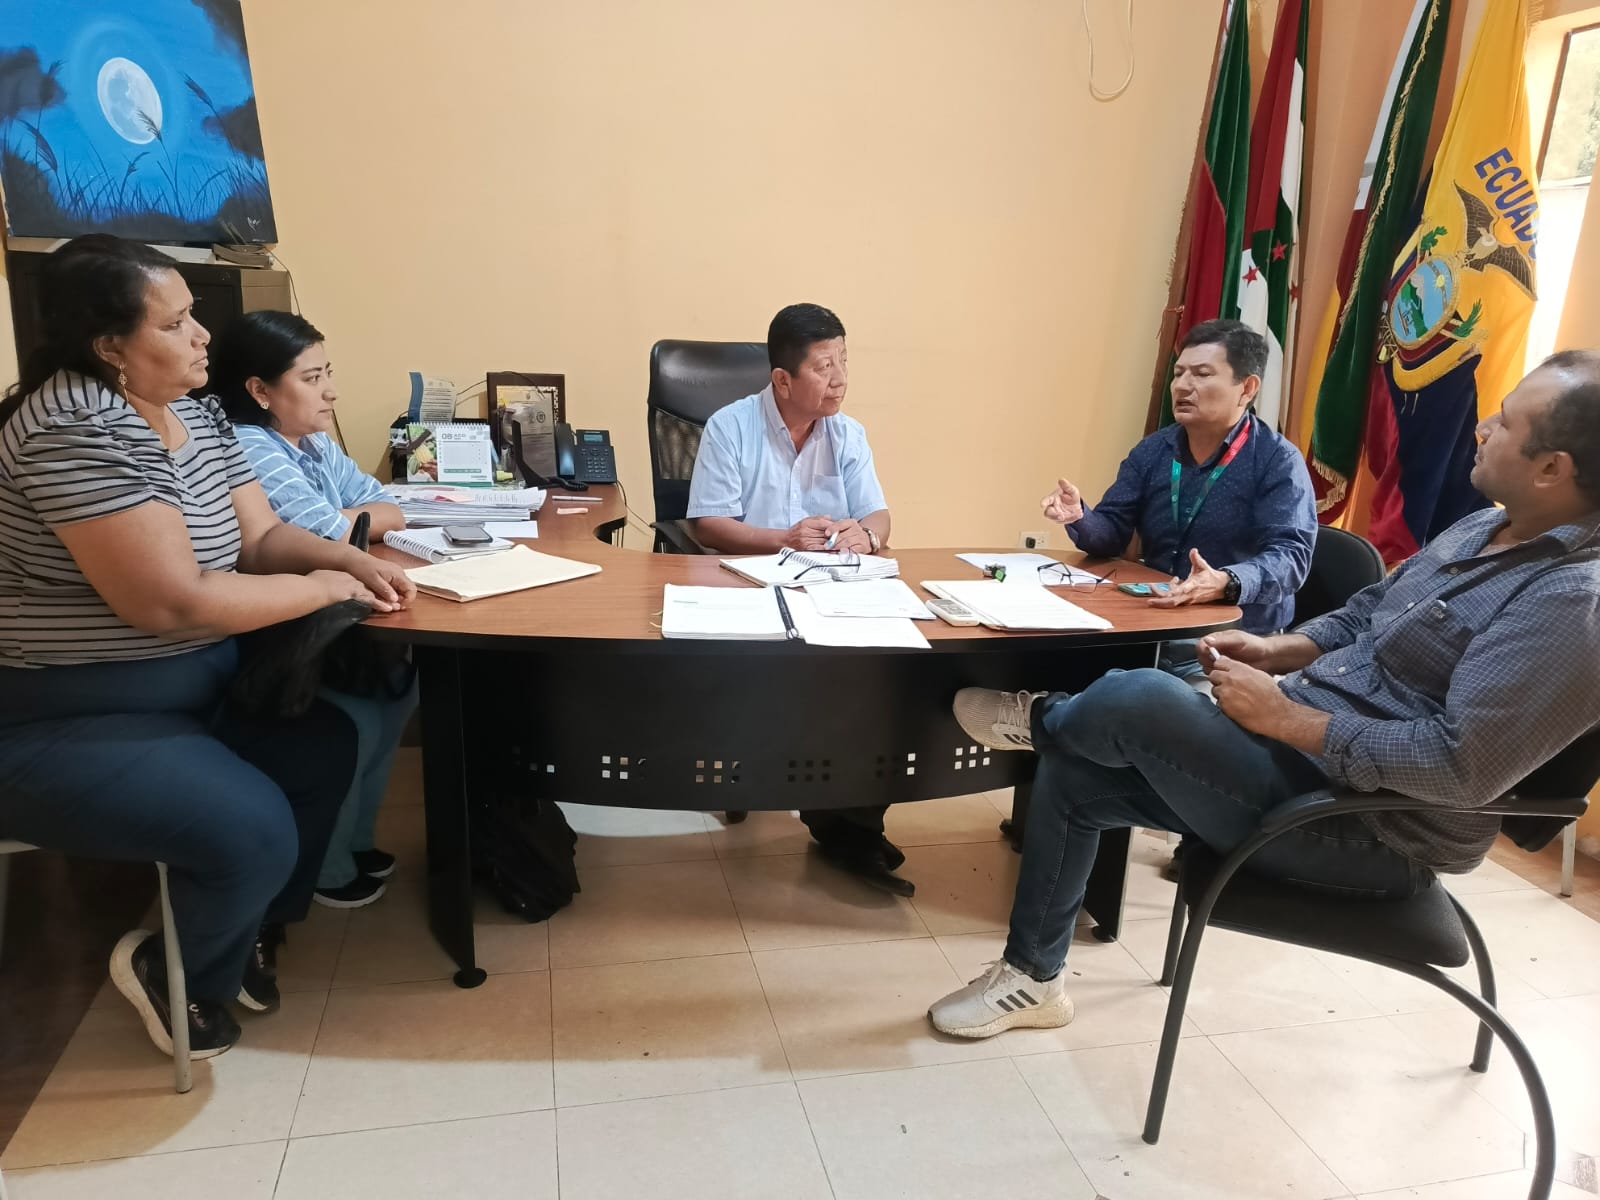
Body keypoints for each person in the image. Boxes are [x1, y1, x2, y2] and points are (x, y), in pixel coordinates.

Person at [928, 352, 1600, 1038]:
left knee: (1141, 698)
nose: (1482, 428)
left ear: (1552, 468)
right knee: (1080, 771)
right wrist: (1276, 650)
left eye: (1505, 422)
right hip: (1302, 763)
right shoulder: (1484, 527)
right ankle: (1034, 980)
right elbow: (1365, 613)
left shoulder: (1570, 603)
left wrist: (1288, 719)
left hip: (1373, 829)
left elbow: (1463, 767)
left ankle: (1041, 719)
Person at [0, 235, 416, 1060]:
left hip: (196, 681)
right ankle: (175, 970)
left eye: (195, 316)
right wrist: (325, 590)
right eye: (176, 323)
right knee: (248, 828)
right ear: (109, 345)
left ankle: (240, 929)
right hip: (67, 708)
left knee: (322, 751)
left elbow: (259, 539)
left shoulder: (198, 413)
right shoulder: (74, 427)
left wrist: (345, 558)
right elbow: (168, 600)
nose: (202, 338)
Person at [686, 303, 907, 894]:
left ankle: (849, 824)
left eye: (843, 362)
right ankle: (829, 814)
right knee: (808, 684)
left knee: (880, 677)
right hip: (749, 591)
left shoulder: (847, 433)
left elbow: (879, 515)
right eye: (824, 367)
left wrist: (868, 535)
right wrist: (781, 539)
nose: (840, 380)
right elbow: (708, 524)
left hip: (829, 594)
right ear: (782, 380)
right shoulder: (730, 427)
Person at [210, 310, 415, 910]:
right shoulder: (250, 444)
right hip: (281, 634)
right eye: (311, 377)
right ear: (259, 389)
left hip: (331, 620)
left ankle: (356, 842)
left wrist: (351, 522)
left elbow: (382, 505)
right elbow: (335, 531)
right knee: (361, 718)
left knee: (399, 696)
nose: (331, 391)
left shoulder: (313, 442)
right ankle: (329, 865)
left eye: (328, 373)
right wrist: (352, 524)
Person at [1041, 319, 1316, 676]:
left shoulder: (1276, 460)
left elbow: (1291, 558)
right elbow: (1111, 535)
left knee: (1137, 696)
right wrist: (1080, 515)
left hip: (1233, 640)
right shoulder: (1154, 450)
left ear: (1247, 388)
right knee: (1050, 659)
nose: (1183, 385)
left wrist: (1226, 582)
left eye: (1201, 374)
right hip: (1150, 624)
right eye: (1179, 373)